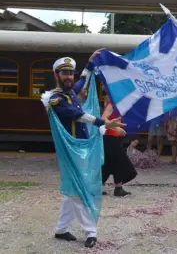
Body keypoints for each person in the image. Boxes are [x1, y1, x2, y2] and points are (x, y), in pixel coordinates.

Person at [47, 52, 125, 248]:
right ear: (56, 75)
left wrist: (90, 64)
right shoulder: (55, 99)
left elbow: (82, 81)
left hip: (80, 150)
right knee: (79, 192)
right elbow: (77, 115)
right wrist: (104, 122)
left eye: (70, 73)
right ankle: (91, 232)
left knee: (72, 191)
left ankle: (61, 228)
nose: (68, 76)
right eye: (64, 73)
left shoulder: (70, 92)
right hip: (70, 151)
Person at [101, 96, 138, 197]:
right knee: (119, 161)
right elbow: (103, 119)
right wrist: (116, 128)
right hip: (110, 138)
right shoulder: (112, 105)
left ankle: (114, 188)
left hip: (112, 138)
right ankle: (118, 188)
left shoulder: (117, 106)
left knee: (108, 164)